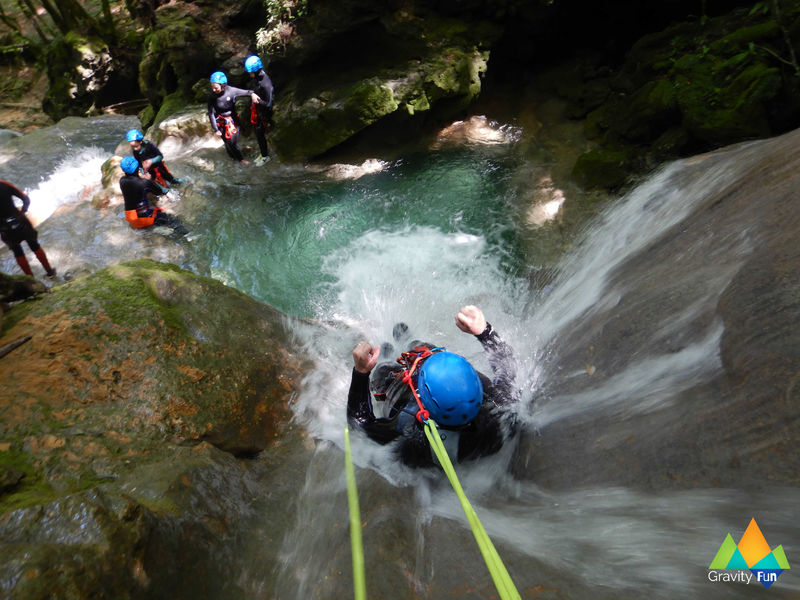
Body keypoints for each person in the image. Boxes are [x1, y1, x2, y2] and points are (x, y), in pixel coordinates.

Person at [348, 305, 518, 468]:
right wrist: (484, 331)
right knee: (427, 351)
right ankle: (408, 342)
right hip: (457, 425)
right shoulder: (499, 418)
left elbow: (360, 425)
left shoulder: (414, 440)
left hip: (405, 401)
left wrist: (361, 372)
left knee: (384, 372)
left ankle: (385, 358)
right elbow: (507, 366)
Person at [0, 180, 56, 278]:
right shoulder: (4, 183)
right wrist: (22, 212)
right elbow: (26, 199)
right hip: (21, 222)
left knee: (17, 252)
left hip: (5, 228)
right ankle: (50, 272)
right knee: (34, 245)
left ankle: (31, 281)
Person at [118, 156, 186, 234]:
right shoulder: (144, 183)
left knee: (155, 219)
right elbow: (158, 191)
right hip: (142, 217)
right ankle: (188, 236)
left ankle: (153, 228)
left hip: (130, 218)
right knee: (172, 219)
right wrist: (149, 180)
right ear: (137, 168)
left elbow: (135, 185)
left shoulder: (122, 181)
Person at [207, 71, 260, 165]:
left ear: (223, 85)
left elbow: (247, 92)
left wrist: (252, 94)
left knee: (232, 142)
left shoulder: (231, 91)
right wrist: (215, 129)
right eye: (212, 87)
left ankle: (241, 160)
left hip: (232, 120)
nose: (214, 90)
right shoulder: (212, 96)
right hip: (220, 121)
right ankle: (234, 159)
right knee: (227, 143)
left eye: (216, 87)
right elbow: (211, 113)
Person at [244, 55, 275, 166]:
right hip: (258, 111)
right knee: (258, 133)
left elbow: (269, 104)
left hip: (264, 113)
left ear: (256, 71)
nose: (249, 74)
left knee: (260, 133)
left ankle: (266, 157)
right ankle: (263, 153)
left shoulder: (266, 84)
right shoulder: (258, 79)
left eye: (250, 72)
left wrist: (256, 99)